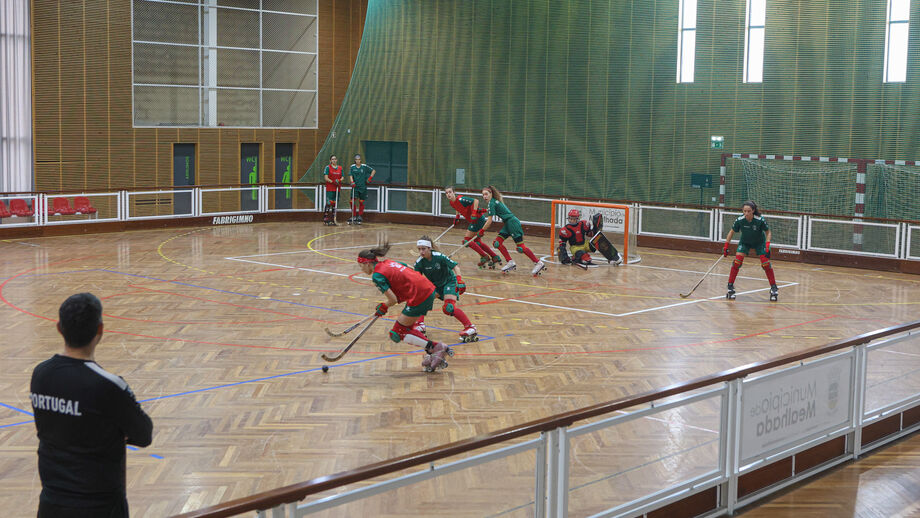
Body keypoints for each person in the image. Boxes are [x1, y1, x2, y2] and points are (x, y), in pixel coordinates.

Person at [30, 293, 153, 518]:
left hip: (51, 504)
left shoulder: (41, 374)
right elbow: (144, 435)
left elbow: (54, 423)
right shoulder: (108, 385)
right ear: (100, 329)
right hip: (100, 507)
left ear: (59, 328)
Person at [357, 243, 454, 371]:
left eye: (361, 266)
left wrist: (383, 307)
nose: (361, 269)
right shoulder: (388, 262)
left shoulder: (377, 275)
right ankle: (433, 351)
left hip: (420, 295)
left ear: (367, 263)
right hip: (426, 289)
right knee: (407, 328)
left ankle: (436, 347)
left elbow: (392, 300)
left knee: (397, 333)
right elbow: (411, 269)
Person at [414, 236, 478, 342]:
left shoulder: (439, 257)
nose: (421, 252)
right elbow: (417, 279)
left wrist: (459, 280)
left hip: (449, 282)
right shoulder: (419, 263)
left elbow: (455, 267)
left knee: (448, 308)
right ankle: (420, 325)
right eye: (419, 249)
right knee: (421, 300)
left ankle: (470, 327)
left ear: (429, 248)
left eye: (423, 249)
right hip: (435, 285)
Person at [479, 185, 546, 276]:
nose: (484, 196)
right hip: (507, 224)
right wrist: (482, 211)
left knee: (521, 247)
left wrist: (482, 231)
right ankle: (510, 262)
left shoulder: (492, 203)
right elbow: (492, 210)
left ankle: (538, 262)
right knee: (497, 243)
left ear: (491, 193)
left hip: (512, 223)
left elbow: (489, 220)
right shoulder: (493, 202)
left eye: (486, 194)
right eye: (483, 195)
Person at [722, 200, 779, 301]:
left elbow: (768, 232)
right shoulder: (740, 220)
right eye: (744, 211)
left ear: (753, 210)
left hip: (760, 243)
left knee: (765, 264)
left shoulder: (760, 220)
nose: (746, 213)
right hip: (745, 242)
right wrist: (726, 246)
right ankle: (730, 286)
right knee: (737, 262)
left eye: (748, 211)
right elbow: (731, 232)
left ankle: (773, 288)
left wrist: (767, 245)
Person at [444, 185, 501, 269]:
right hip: (475, 220)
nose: (448, 194)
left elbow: (475, 201)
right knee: (477, 242)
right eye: (446, 193)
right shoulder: (451, 202)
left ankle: (484, 256)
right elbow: (457, 207)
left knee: (466, 241)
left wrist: (474, 213)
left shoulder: (461, 199)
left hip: (477, 219)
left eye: (450, 192)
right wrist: (457, 217)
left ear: (454, 192)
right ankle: (494, 256)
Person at [557, 209, 622, 269]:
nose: (572, 220)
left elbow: (590, 234)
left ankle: (613, 256)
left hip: (585, 244)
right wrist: (563, 256)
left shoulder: (583, 224)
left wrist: (595, 228)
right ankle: (578, 257)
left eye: (574, 219)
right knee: (586, 259)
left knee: (597, 241)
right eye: (570, 218)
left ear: (578, 218)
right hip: (575, 247)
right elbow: (562, 244)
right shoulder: (565, 230)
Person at [347, 154, 375, 225]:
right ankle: (354, 216)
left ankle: (360, 216)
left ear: (360, 160)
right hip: (355, 187)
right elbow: (350, 175)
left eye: (359, 159)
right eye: (356, 159)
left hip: (363, 187)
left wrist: (369, 178)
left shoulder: (364, 166)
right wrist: (352, 182)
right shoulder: (352, 167)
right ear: (355, 160)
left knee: (361, 202)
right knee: (352, 201)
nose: (357, 161)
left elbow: (373, 171)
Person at [322, 154, 343, 225]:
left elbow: (342, 177)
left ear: (337, 160)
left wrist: (339, 180)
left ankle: (334, 219)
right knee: (329, 203)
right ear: (330, 160)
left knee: (335, 203)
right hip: (330, 188)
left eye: (335, 159)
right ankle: (325, 218)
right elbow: (326, 178)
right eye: (332, 159)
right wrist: (332, 182)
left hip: (337, 188)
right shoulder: (327, 167)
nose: (334, 160)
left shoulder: (340, 168)